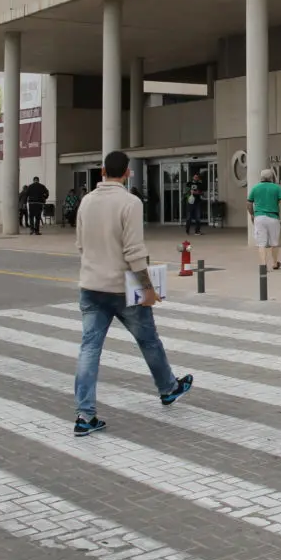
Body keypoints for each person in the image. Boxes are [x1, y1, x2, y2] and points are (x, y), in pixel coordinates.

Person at [73, 149, 192, 437]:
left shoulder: (86, 201)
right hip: (121, 288)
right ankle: (168, 388)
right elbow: (134, 250)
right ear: (127, 173)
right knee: (148, 340)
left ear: (103, 172)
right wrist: (147, 288)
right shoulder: (131, 202)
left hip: (90, 286)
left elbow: (80, 244)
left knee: (89, 349)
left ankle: (85, 415)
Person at [247, 168, 281, 270]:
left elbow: (249, 202)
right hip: (273, 217)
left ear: (261, 177)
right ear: (271, 177)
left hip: (259, 217)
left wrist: (252, 214)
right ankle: (275, 263)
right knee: (274, 242)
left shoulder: (255, 188)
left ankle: (263, 264)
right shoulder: (277, 188)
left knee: (261, 243)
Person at [184, 172, 206, 236]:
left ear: (198, 178)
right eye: (195, 177)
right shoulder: (189, 183)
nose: (196, 178)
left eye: (197, 177)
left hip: (197, 202)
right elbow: (185, 191)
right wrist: (191, 192)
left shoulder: (200, 184)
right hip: (190, 202)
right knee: (189, 216)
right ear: (193, 177)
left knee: (198, 217)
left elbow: (202, 192)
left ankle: (197, 231)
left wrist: (197, 192)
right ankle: (187, 230)